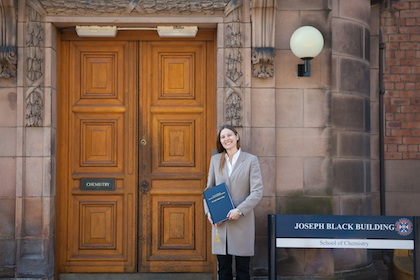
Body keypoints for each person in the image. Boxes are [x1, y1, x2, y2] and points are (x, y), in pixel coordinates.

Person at [204, 125, 263, 280]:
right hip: (220, 224)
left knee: (243, 270)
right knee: (223, 270)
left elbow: (257, 191)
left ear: (237, 137)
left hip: (241, 222)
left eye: (229, 135)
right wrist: (208, 212)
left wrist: (240, 210)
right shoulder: (216, 160)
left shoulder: (251, 160)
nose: (226, 139)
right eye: (222, 137)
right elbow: (209, 190)